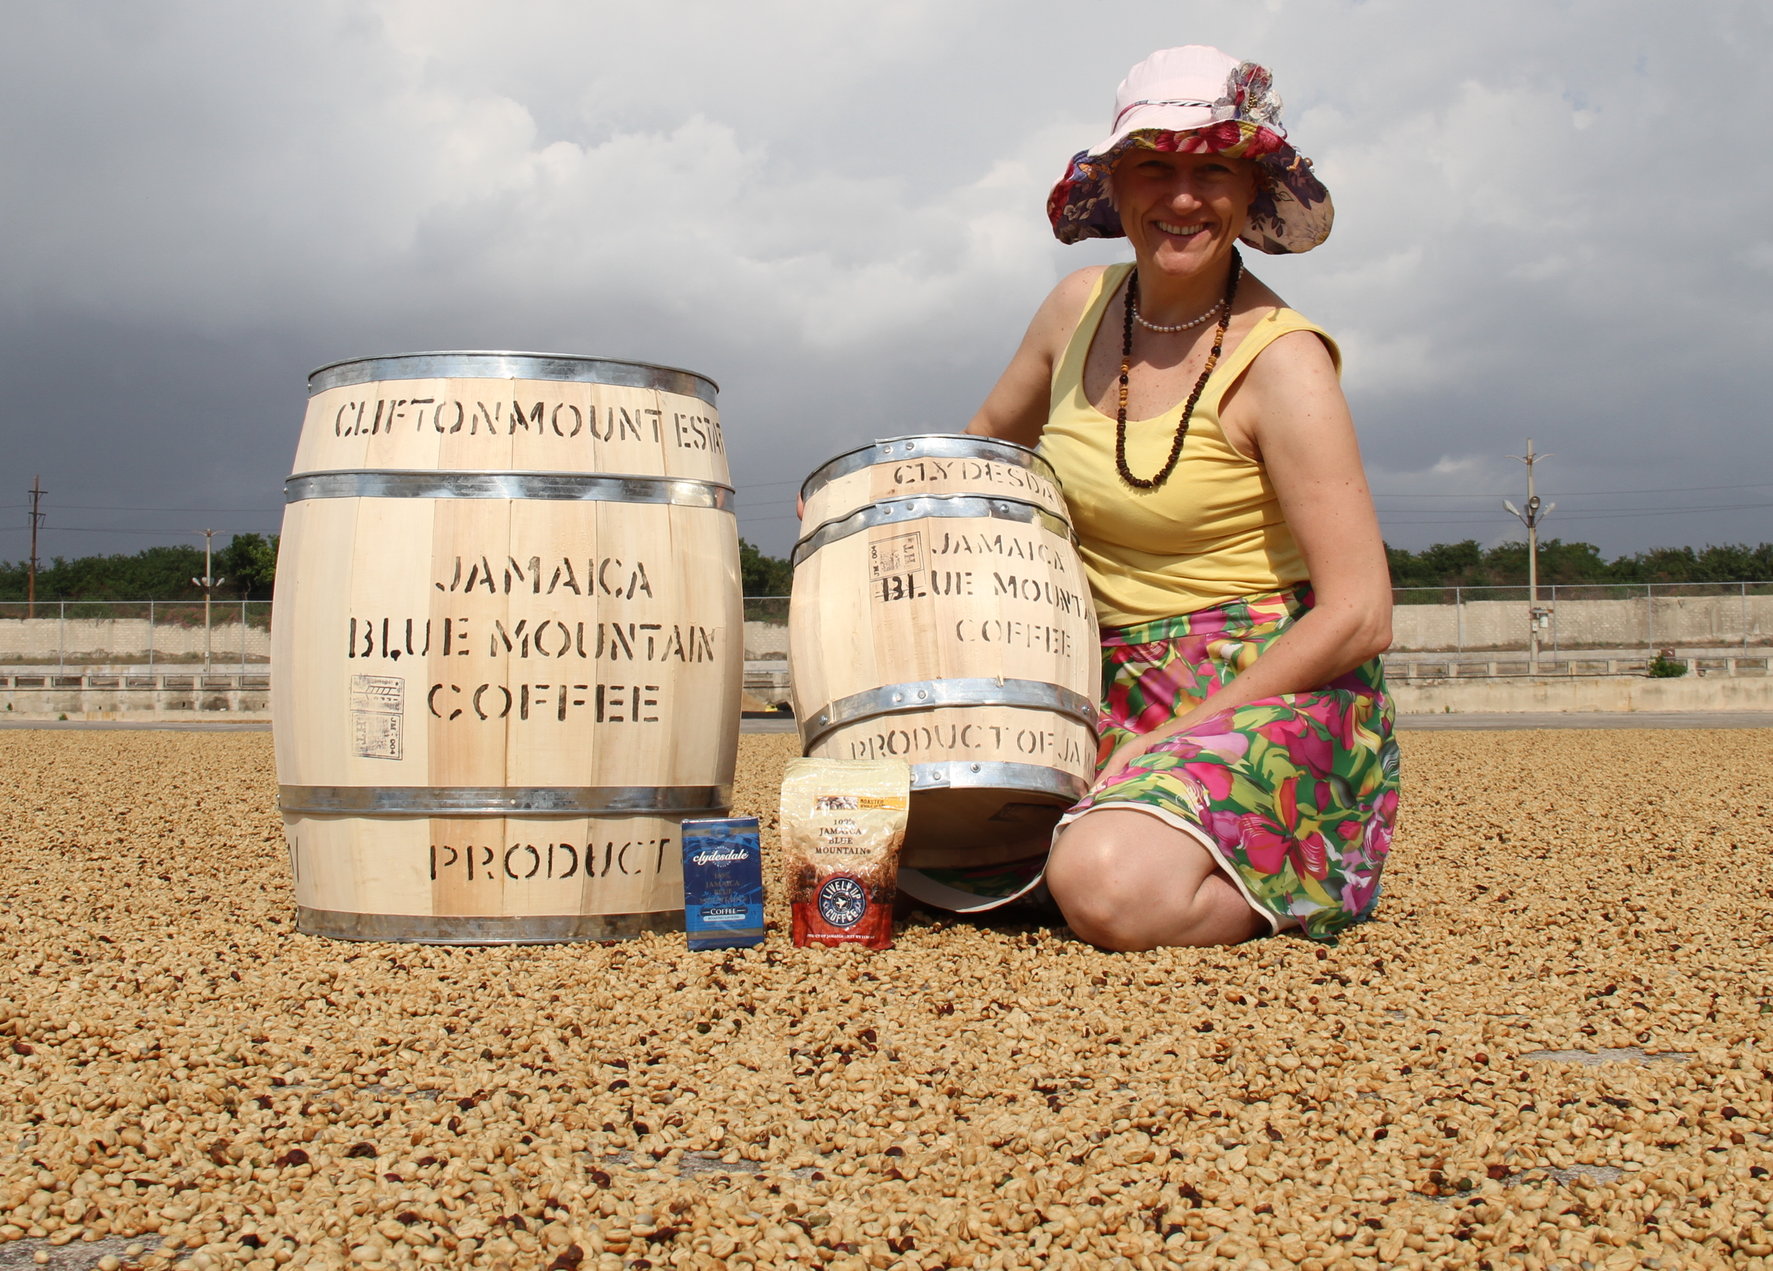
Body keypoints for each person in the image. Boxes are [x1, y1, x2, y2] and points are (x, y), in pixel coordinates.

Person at [968, 45, 1399, 948]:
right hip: (1097, 678)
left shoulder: (1283, 362)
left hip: (1264, 691)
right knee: (895, 840)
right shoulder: (1073, 310)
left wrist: (1173, 738)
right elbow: (976, 461)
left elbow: (1359, 613)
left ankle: (1307, 867)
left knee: (1108, 887)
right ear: (1116, 183)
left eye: (1212, 169)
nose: (1182, 197)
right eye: (1154, 165)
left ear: (1249, 192)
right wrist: (861, 518)